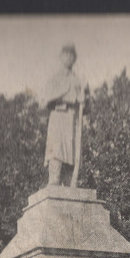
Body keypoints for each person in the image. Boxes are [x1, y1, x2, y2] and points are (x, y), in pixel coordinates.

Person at [43, 43, 89, 186]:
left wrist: (84, 99)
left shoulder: (78, 81)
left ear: (75, 58)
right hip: (58, 118)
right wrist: (69, 98)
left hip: (73, 121)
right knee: (56, 150)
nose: (69, 57)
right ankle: (54, 179)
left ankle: (69, 181)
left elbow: (87, 106)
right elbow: (46, 99)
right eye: (66, 54)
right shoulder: (54, 79)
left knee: (72, 153)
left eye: (71, 55)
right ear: (61, 57)